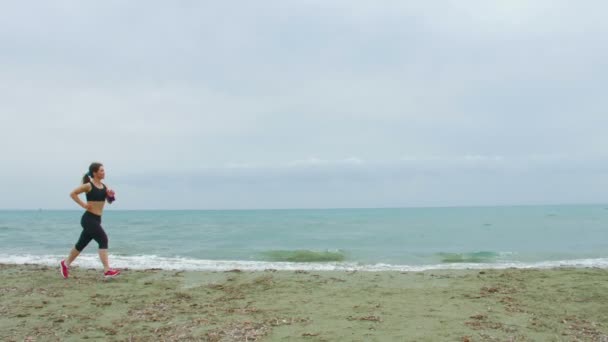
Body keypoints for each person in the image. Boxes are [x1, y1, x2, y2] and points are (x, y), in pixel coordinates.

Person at [60, 162, 121, 279]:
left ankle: (65, 263)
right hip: (88, 219)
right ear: (95, 172)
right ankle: (107, 270)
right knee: (103, 239)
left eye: (104, 170)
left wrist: (111, 195)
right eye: (101, 170)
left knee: (81, 244)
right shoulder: (88, 185)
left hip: (97, 219)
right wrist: (83, 205)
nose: (104, 172)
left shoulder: (104, 186)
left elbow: (109, 201)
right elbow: (73, 194)